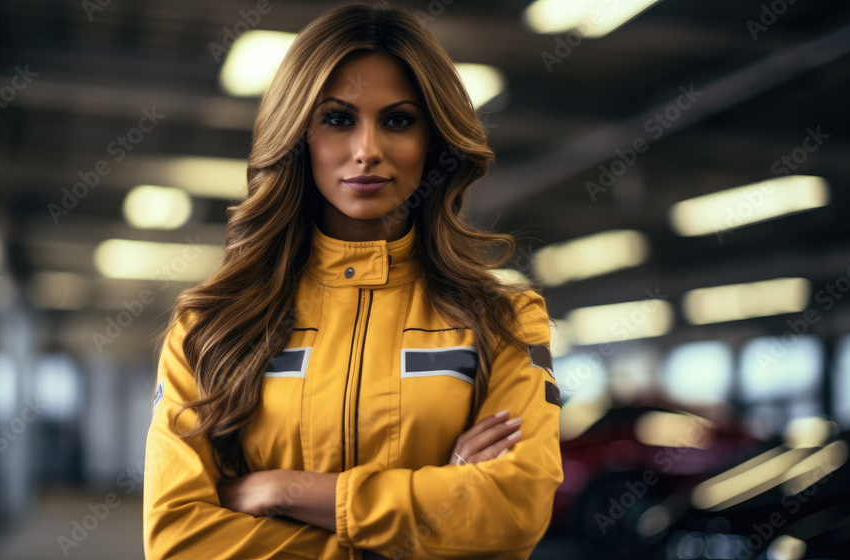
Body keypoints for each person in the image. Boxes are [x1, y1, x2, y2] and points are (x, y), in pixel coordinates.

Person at [142, 2, 563, 559]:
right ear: (298, 137)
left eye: (398, 120)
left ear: (432, 142)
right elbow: (178, 540)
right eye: (338, 119)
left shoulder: (504, 320)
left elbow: (513, 511)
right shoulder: (210, 327)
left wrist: (283, 492)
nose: (367, 151)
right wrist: (430, 514)